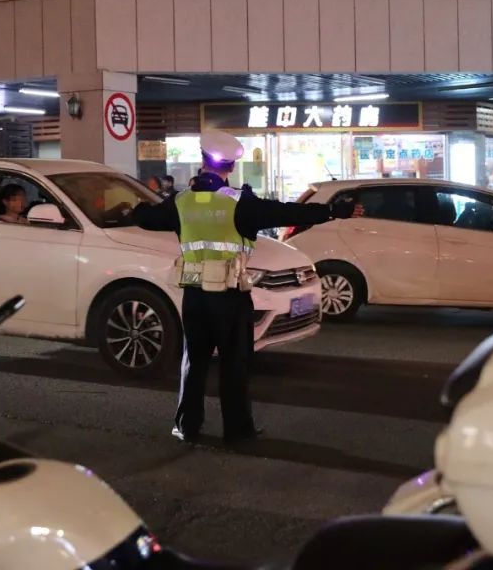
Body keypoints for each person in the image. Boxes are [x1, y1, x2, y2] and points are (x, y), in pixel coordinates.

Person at [130, 130, 355, 444]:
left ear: (203, 160)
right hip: (230, 298)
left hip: (194, 297)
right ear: (232, 167)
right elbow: (286, 211)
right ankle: (237, 431)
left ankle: (187, 426)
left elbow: (146, 218)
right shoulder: (239, 204)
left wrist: (133, 207)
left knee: (193, 363)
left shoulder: (180, 203)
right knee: (233, 365)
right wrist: (331, 211)